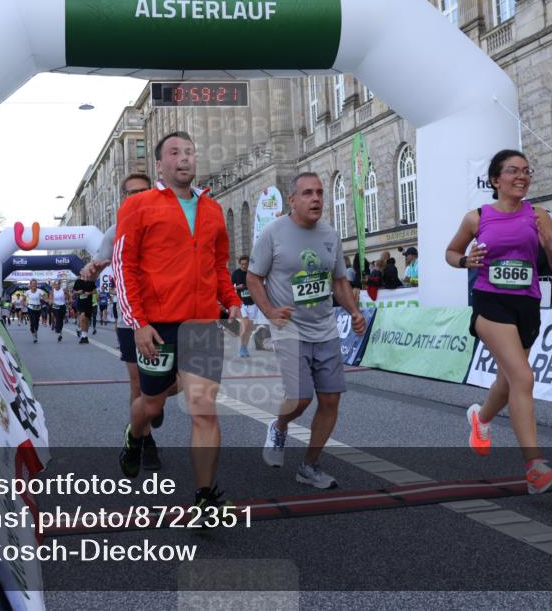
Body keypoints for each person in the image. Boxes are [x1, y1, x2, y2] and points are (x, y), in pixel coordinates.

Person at [113, 131, 242, 510]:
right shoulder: (138, 205)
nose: (184, 158)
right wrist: (138, 322)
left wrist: (232, 301)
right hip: (158, 326)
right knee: (152, 405)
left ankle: (205, 497)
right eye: (174, 152)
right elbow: (123, 266)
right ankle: (135, 436)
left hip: (202, 325)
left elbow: (218, 265)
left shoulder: (212, 209)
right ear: (159, 165)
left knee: (204, 409)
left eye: (189, 151)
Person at [446, 149, 552, 494]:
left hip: (527, 304)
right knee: (523, 377)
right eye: (513, 170)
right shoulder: (477, 218)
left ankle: (481, 418)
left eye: (526, 171)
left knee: (508, 379)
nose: (522, 177)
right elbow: (451, 252)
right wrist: (465, 261)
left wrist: (550, 242)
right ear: (495, 180)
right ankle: (535, 468)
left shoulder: (539, 215)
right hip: (491, 302)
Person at [249, 172, 365, 489]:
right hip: (289, 330)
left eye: (320, 193)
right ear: (292, 200)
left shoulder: (330, 235)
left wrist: (354, 311)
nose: (316, 199)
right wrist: (270, 311)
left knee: (330, 400)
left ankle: (309, 465)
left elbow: (338, 280)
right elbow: (253, 277)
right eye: (307, 193)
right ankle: (280, 425)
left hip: (325, 329)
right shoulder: (273, 233)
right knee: (300, 398)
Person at [80, 172, 170, 471]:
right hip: (131, 317)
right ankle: (144, 441)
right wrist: (91, 270)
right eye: (132, 193)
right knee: (139, 383)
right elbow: (96, 262)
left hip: (168, 314)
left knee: (174, 381)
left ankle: (153, 402)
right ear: (125, 198)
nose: (138, 197)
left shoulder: (169, 222)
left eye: (143, 191)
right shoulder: (115, 230)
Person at [230, 255, 256, 357]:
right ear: (240, 264)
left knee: (249, 329)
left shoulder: (252, 273)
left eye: (246, 264)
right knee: (245, 327)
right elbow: (229, 288)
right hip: (241, 304)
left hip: (252, 304)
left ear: (249, 264)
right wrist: (237, 287)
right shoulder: (236, 274)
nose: (244, 266)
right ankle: (241, 347)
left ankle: (244, 347)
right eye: (242, 264)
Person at [73, 275, 96, 343]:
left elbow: (95, 291)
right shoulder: (78, 281)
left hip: (88, 303)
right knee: (82, 317)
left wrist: (89, 293)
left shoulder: (91, 281)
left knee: (87, 320)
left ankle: (85, 337)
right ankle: (83, 336)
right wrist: (78, 292)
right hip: (81, 303)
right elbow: (74, 292)